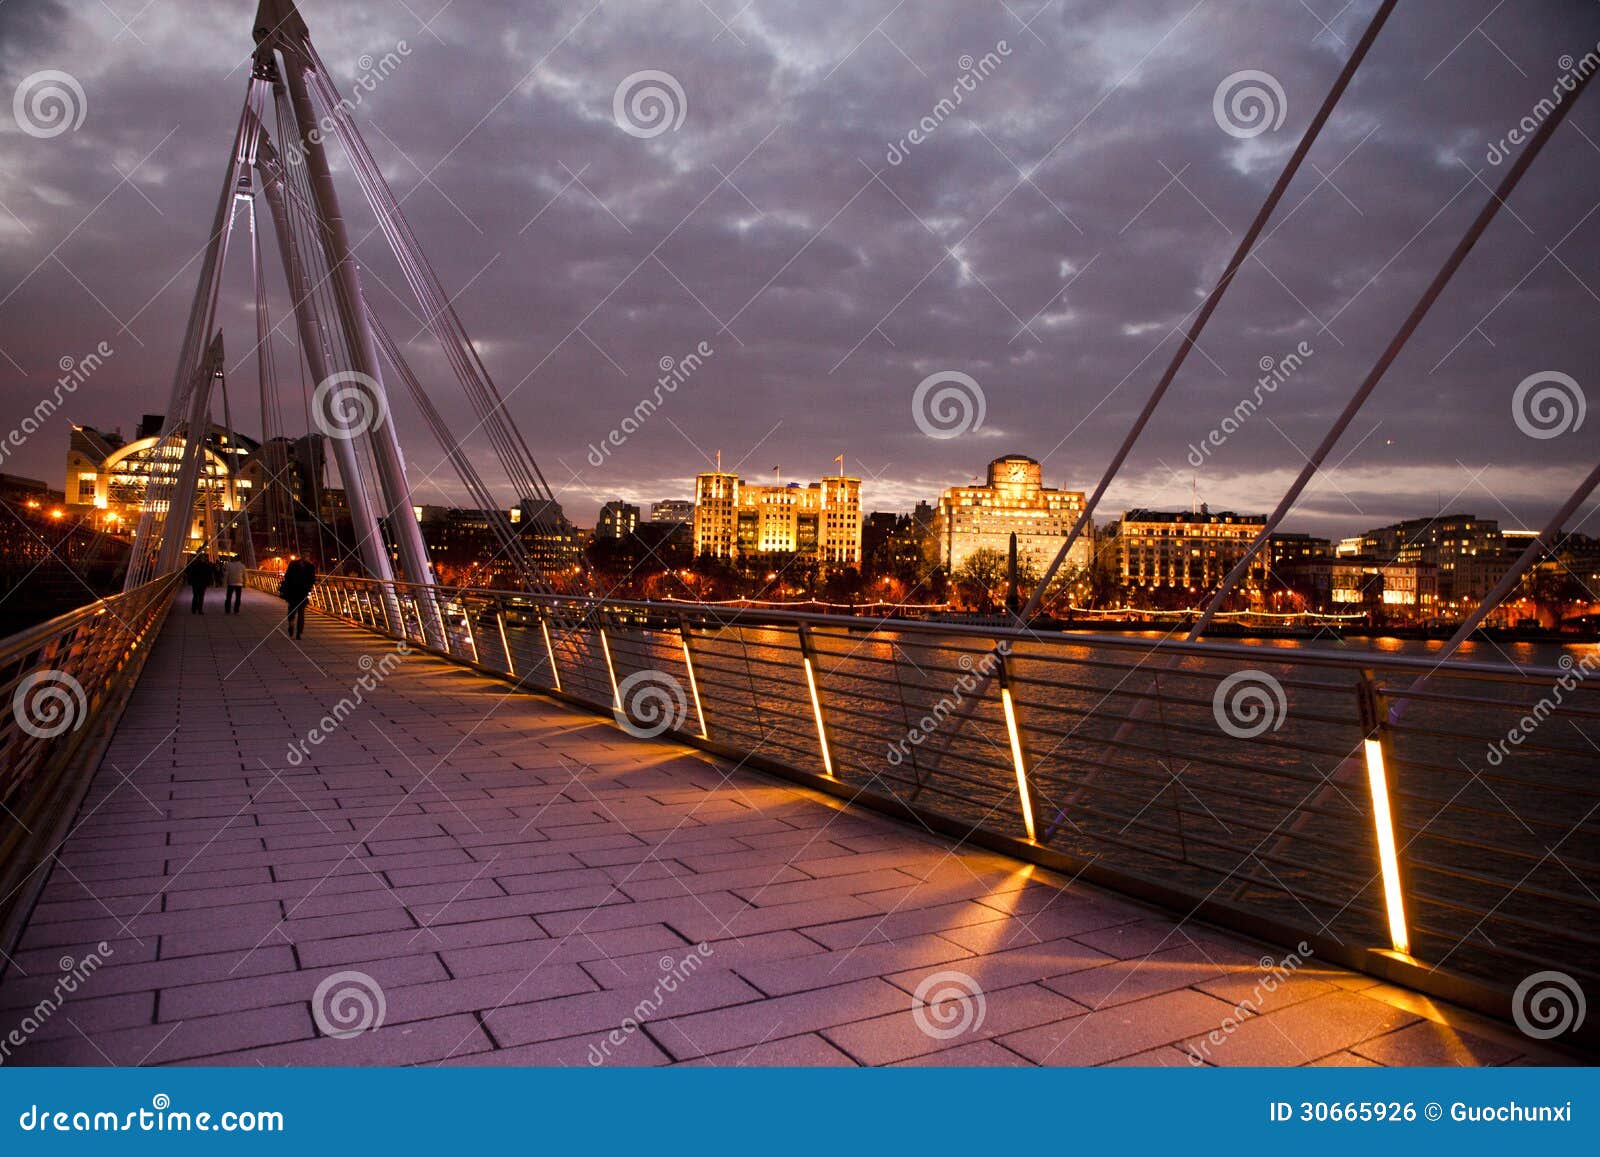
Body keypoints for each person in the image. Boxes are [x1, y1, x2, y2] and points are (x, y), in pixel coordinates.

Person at [279, 557, 316, 639]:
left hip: (302, 593)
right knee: (292, 611)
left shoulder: (310, 566)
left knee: (301, 613)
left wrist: (309, 588)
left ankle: (299, 632)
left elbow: (312, 579)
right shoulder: (294, 564)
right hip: (293, 592)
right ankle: (291, 624)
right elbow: (288, 577)